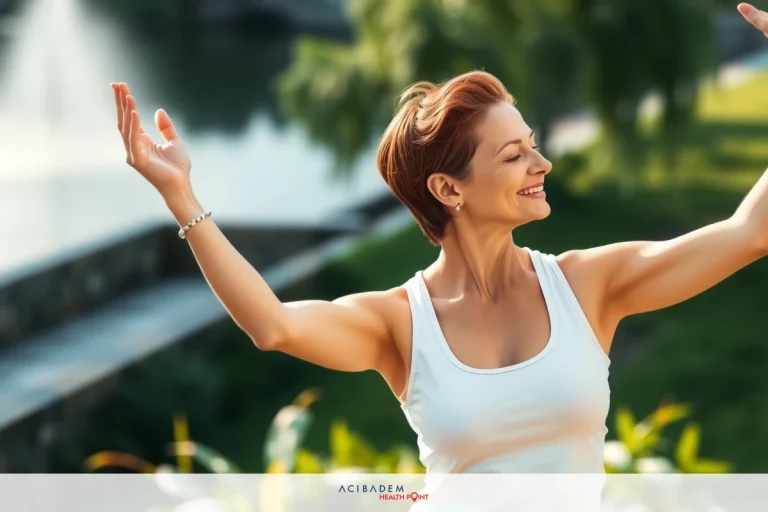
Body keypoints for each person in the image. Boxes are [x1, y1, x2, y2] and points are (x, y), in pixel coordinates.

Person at [110, 3, 768, 475]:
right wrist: (182, 198)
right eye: (514, 156)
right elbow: (273, 326)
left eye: (534, 147)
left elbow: (750, 231)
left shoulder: (588, 285)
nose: (542, 166)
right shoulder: (400, 323)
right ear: (450, 190)